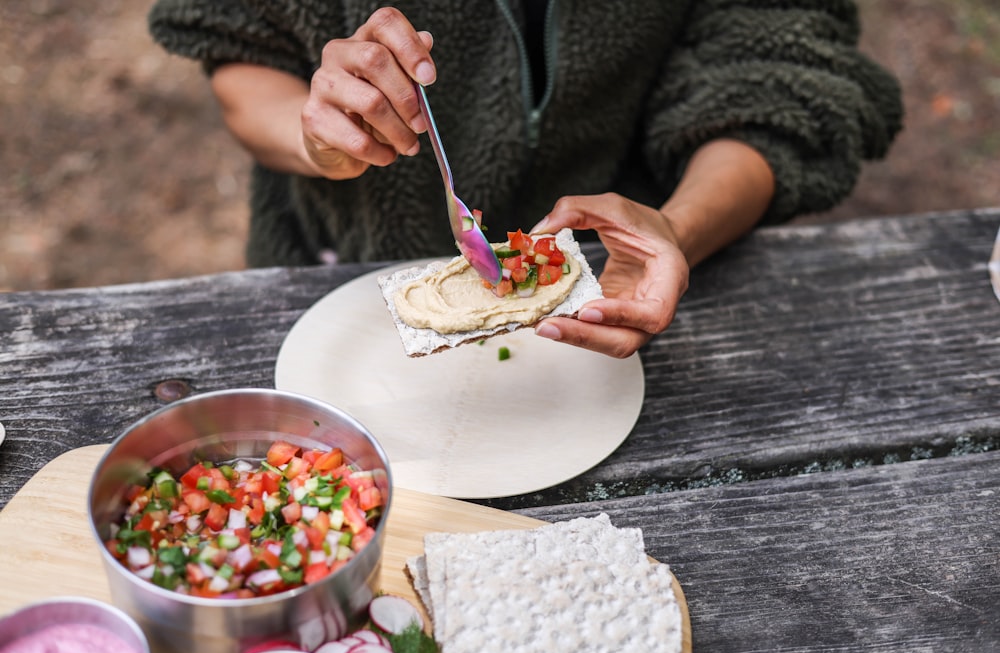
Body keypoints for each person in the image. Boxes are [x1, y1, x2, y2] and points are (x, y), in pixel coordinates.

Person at [148, 1, 902, 358]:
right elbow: (243, 63)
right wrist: (324, 140)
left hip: (619, 314)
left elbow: (775, 82)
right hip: (335, 285)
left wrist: (678, 227)